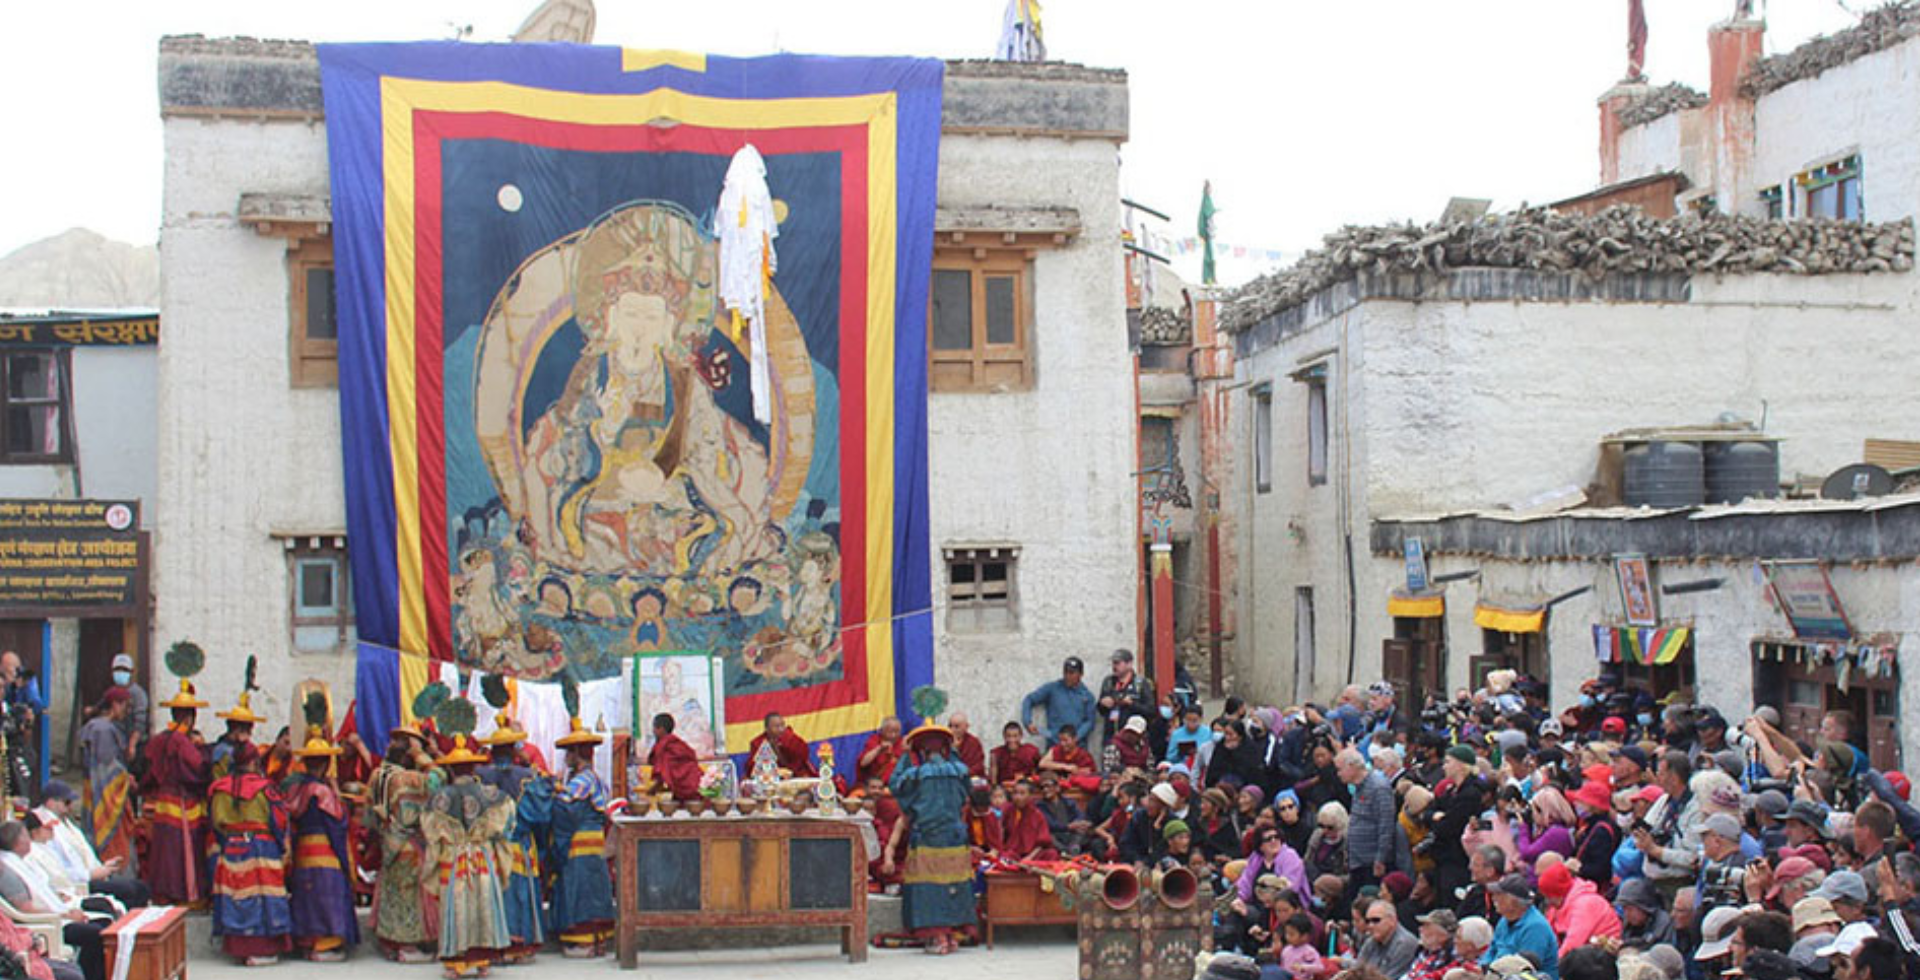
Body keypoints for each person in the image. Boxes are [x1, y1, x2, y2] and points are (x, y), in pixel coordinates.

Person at [422, 734, 515, 979]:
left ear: (450, 769)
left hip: (454, 858)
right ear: (473, 767)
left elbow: (431, 835)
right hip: (482, 856)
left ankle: (456, 963)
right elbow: (506, 827)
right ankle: (483, 962)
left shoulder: (440, 798)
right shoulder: (493, 795)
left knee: (457, 906)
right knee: (483, 904)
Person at [886, 710, 976, 955]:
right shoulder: (959, 770)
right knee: (954, 885)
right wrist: (955, 752)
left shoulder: (915, 775)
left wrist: (904, 756)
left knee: (930, 888)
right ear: (944, 749)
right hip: (955, 839)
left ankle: (937, 937)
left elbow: (895, 786)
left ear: (922, 751)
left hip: (928, 839)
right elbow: (967, 792)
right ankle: (953, 936)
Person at [207, 743, 293, 965]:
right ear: (254, 762)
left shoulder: (219, 789)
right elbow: (278, 821)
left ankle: (239, 949)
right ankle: (261, 950)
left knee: (236, 896)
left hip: (232, 847)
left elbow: (216, 824)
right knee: (261, 898)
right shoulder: (265, 788)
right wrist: (283, 845)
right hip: (261, 849)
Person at [282, 729, 360, 961]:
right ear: (326, 763)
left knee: (306, 896)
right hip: (326, 850)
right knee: (328, 896)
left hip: (303, 851)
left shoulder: (294, 789)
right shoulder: (323, 792)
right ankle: (324, 945)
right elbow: (337, 824)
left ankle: (307, 943)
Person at [475, 715, 544, 964]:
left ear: (492, 751)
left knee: (494, 894)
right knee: (519, 893)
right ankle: (519, 947)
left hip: (489, 846)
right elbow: (539, 815)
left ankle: (494, 945)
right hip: (518, 844)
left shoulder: (478, 775)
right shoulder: (528, 776)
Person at [138, 678, 211, 906]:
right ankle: (185, 895)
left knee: (164, 851)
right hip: (182, 803)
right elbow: (197, 769)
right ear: (190, 716)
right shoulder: (181, 742)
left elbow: (147, 771)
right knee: (182, 852)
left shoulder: (159, 739)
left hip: (162, 802)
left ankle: (162, 895)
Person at [0, 820, 103, 980]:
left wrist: (60, 900)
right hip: (46, 924)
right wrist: (65, 916)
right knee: (95, 935)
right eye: (26, 835)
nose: (30, 841)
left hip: (42, 925)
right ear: (17, 841)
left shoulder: (20, 862)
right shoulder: (7, 871)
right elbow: (26, 910)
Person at [368, 725, 437, 963]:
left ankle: (390, 944)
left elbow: (369, 813)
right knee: (409, 896)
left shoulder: (378, 775)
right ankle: (408, 946)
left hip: (388, 839)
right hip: (409, 842)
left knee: (390, 891)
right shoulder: (409, 778)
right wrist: (423, 756)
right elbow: (440, 779)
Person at [551, 717, 615, 957]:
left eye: (569, 752)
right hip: (594, 841)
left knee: (581, 888)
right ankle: (598, 941)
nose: (566, 757)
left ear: (577, 754)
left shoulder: (581, 781)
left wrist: (553, 796)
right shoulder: (595, 778)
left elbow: (566, 811)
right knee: (595, 887)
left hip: (579, 841)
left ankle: (583, 940)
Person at [36, 782, 145, 911]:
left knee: (141, 887)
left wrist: (103, 868)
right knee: (131, 891)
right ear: (51, 803)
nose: (71, 806)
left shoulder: (66, 822)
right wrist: (91, 874)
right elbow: (59, 868)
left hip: (90, 875)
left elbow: (83, 852)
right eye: (67, 802)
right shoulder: (45, 826)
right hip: (79, 882)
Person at [74, 691, 135, 874]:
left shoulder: (96, 726)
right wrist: (125, 778)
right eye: (125, 705)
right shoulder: (103, 730)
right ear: (115, 704)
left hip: (95, 792)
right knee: (113, 844)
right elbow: (106, 768)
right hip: (107, 795)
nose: (126, 711)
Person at [1339, 747, 1395, 894]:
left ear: (1351, 767)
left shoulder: (1378, 787)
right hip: (1357, 859)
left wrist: (1380, 858)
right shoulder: (1357, 788)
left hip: (1371, 861)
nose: (1338, 774)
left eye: (1340, 769)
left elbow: (1386, 825)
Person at [1538, 861, 1621, 956]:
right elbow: (1548, 937)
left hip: (1603, 955)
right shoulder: (1557, 906)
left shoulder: (1585, 904)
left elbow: (1573, 944)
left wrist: (1551, 967)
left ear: (1558, 893)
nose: (1548, 901)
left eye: (1549, 897)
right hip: (1585, 954)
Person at [1486, 873, 1559, 980]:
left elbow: (1524, 968)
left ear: (1513, 901)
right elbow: (1491, 951)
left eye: (1499, 894)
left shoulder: (1535, 927)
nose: (1493, 898)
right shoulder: (1504, 920)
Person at [1019, 657, 1097, 748]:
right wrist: (1028, 722)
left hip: (1077, 748)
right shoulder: (1053, 689)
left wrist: (1075, 738)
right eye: (1065, 672)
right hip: (1055, 746)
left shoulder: (1087, 696)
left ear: (1081, 674)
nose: (1067, 676)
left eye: (1071, 673)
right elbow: (1029, 700)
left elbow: (1090, 722)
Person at [1346, 896, 1419, 978]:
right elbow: (1355, 971)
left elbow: (1389, 978)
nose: (1370, 925)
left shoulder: (1405, 944)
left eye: (1376, 920)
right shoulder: (1371, 941)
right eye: (1367, 921)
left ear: (1392, 920)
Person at [1097, 649, 1152, 743]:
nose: (1114, 666)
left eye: (1117, 663)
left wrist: (1131, 704)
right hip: (1112, 736)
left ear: (1129, 664)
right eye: (1113, 663)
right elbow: (1101, 711)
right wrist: (1103, 704)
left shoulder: (1141, 684)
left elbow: (1150, 711)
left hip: (1133, 738)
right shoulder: (1109, 682)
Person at [645, 712, 702, 801]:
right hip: (696, 783)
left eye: (655, 728)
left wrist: (653, 789)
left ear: (661, 729)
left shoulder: (664, 746)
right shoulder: (677, 743)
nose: (653, 731)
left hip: (688, 787)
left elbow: (662, 773)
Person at [209, 691, 266, 779]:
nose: (249, 733)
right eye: (245, 729)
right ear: (235, 728)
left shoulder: (250, 749)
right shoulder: (222, 750)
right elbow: (218, 778)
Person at [745, 712, 815, 778]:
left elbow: (803, 753)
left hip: (794, 774)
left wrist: (783, 746)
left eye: (782, 725)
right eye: (777, 726)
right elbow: (753, 767)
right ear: (767, 729)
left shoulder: (790, 737)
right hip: (769, 777)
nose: (781, 729)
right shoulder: (758, 742)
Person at [106, 654, 148, 759]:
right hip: (115, 744)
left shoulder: (138, 694)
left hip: (134, 745)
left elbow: (140, 722)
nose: (120, 672)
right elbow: (101, 707)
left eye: (124, 670)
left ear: (132, 672)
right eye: (117, 669)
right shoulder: (112, 692)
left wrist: (132, 745)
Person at [1405, 909, 1464, 980]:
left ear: (1443, 935)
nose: (1420, 929)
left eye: (1427, 926)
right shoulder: (1425, 952)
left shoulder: (1453, 956)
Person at [857, 716, 906, 786]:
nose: (893, 735)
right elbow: (863, 763)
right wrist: (879, 749)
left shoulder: (903, 744)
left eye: (897, 732)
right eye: (890, 732)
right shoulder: (874, 741)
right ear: (882, 731)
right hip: (874, 786)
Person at [948, 714, 986, 780]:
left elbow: (979, 766)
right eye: (950, 726)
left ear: (966, 727)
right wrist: (953, 749)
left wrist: (965, 773)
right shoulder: (945, 742)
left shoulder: (973, 742)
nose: (952, 730)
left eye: (957, 727)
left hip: (969, 778)